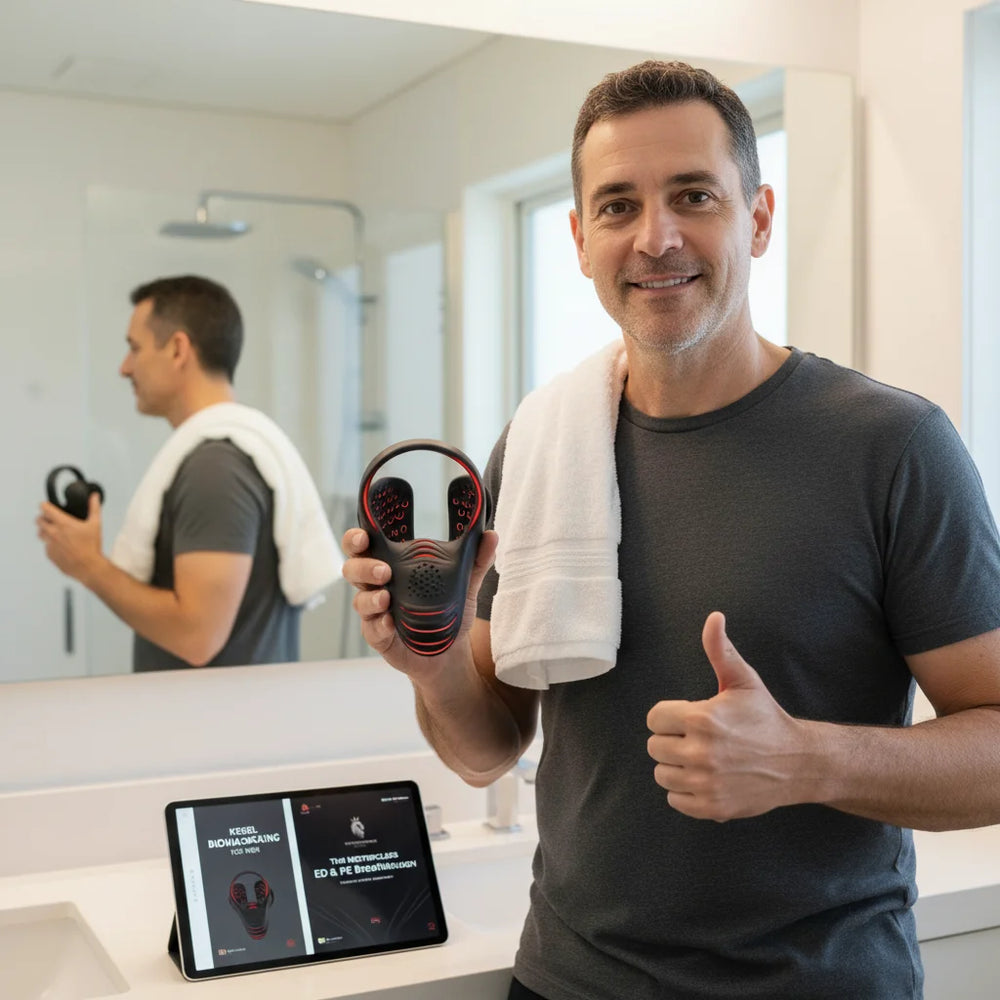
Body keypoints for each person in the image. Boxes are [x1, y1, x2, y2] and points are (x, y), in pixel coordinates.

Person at [342, 60, 1000, 999]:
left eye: (694, 195)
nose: (655, 238)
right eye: (618, 206)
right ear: (581, 240)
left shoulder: (892, 446)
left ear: (758, 219)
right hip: (566, 982)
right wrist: (432, 663)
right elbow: (487, 747)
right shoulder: (541, 446)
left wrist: (805, 760)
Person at [38, 274, 341, 672]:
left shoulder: (216, 469)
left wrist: (88, 565)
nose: (124, 368)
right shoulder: (223, 457)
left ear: (178, 349)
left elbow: (197, 636)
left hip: (219, 712)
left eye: (135, 348)